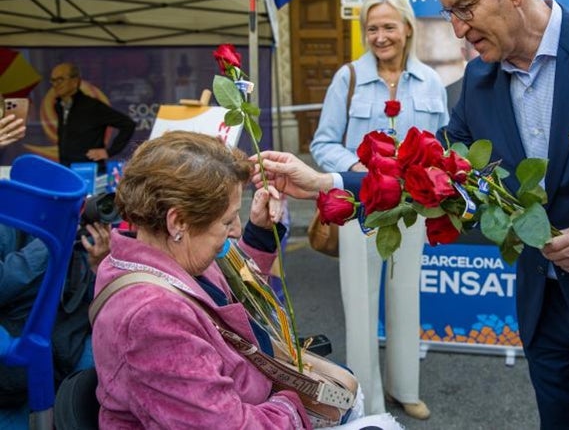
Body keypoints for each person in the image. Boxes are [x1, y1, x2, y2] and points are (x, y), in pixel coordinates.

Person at [257, 0, 569, 429]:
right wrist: (328, 183)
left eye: (464, 8)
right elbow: (427, 173)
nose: (457, 29)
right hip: (543, 306)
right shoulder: (477, 82)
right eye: (449, 13)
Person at [90, 131, 399, 429]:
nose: (236, 230)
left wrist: (260, 234)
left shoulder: (160, 253)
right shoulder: (152, 318)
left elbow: (227, 300)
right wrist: (293, 403)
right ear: (178, 221)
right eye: (227, 220)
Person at [310, 0, 448, 419]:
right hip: (359, 209)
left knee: (407, 297)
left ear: (407, 28)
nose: (380, 36)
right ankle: (365, 397)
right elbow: (322, 143)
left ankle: (405, 389)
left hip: (412, 210)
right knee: (360, 301)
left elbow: (442, 146)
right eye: (372, 28)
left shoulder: (430, 82)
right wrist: (361, 169)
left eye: (388, 26)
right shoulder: (347, 77)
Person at [0, 118, 111, 429]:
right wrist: (51, 242)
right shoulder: (11, 218)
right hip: (19, 338)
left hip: (65, 332)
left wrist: (99, 266)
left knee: (107, 361)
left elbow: (87, 304)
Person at [50, 62, 135, 172]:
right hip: (67, 170)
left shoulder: (92, 106)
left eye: (60, 79)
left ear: (75, 81)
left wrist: (109, 151)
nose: (56, 84)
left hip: (90, 172)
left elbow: (128, 124)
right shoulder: (59, 106)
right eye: (53, 80)